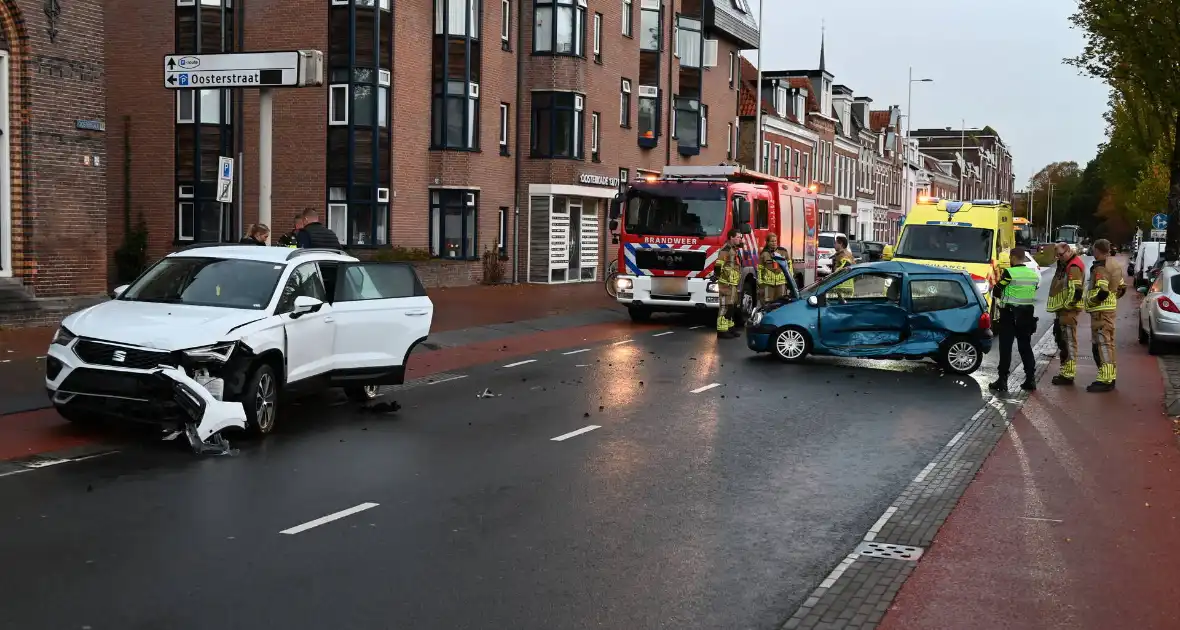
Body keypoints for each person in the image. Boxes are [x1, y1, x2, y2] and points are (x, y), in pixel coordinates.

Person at [989, 247, 1040, 393]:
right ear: (1024, 258)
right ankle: (1030, 378)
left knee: (1006, 348)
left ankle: (1002, 380)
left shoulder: (1009, 273)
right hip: (1026, 315)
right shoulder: (1033, 275)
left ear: (1012, 258)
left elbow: (997, 290)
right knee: (1025, 347)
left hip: (1009, 314)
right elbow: (1033, 289)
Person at [1084, 239, 1126, 392]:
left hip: (1100, 312)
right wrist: (1113, 299)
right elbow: (1122, 287)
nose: (1093, 253)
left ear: (1098, 250)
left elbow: (1102, 290)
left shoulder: (1100, 268)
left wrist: (1093, 301)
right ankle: (1109, 376)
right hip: (1109, 310)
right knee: (1109, 344)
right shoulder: (1114, 265)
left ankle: (1106, 379)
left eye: (1094, 250)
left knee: (1102, 345)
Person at [1048, 241, 1086, 386]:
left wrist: (1066, 306)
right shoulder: (1066, 264)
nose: (1059, 257)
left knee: (1068, 342)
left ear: (1068, 251)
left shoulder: (1073, 266)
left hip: (1068, 311)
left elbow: (1076, 291)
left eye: (1060, 255)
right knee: (1062, 340)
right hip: (1063, 311)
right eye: (1056, 255)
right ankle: (1065, 372)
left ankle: (1068, 374)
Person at [714, 229, 742, 339]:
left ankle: (730, 328)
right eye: (738, 237)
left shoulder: (733, 249)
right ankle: (722, 330)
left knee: (732, 306)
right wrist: (718, 276)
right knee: (725, 306)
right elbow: (718, 265)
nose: (740, 239)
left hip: (732, 283)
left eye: (740, 237)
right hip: (726, 283)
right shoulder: (725, 250)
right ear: (731, 237)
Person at [758, 233, 787, 304]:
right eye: (772, 241)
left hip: (781, 283)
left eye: (775, 241)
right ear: (767, 242)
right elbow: (759, 269)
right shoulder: (764, 254)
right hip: (768, 284)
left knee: (780, 304)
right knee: (768, 304)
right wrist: (760, 283)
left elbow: (789, 266)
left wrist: (789, 279)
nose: (774, 243)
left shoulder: (783, 252)